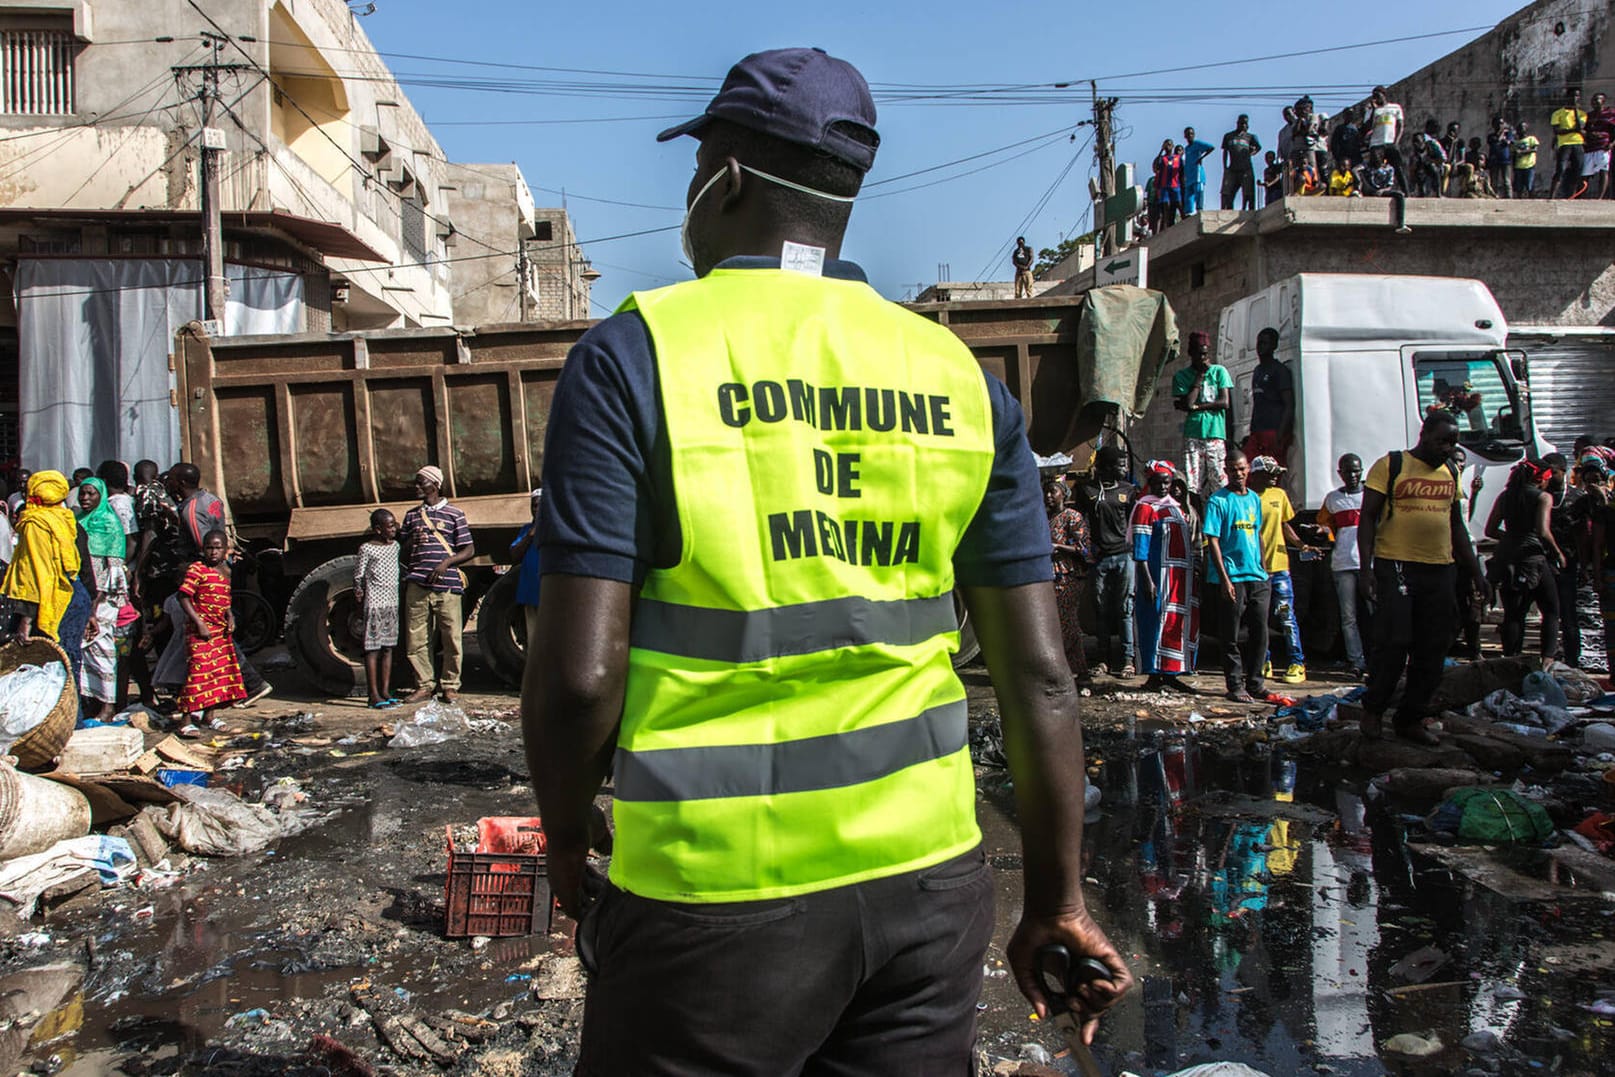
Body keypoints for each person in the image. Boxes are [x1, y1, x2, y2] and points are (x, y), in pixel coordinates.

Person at [523, 47, 1131, 1074]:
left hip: (714, 895)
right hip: (929, 889)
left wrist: (565, 832)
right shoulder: (958, 378)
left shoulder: (636, 356)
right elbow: (1038, 677)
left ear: (726, 178)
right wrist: (1057, 898)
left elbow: (582, 677)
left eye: (697, 168)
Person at [1352, 411, 1486, 745]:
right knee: (1395, 642)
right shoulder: (1391, 465)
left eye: (1452, 441)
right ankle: (1373, 709)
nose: (1447, 447)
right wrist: (1366, 570)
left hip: (1439, 568)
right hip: (1396, 564)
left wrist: (1475, 572)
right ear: (1424, 435)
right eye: (1442, 440)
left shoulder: (1450, 472)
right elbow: (1367, 518)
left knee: (1433, 647)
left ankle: (1410, 717)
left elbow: (1457, 526)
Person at [399, 465, 473, 704]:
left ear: (435, 485)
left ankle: (450, 686)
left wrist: (446, 564)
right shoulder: (411, 516)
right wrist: (411, 540)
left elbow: (468, 549)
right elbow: (403, 550)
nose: (417, 487)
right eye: (416, 482)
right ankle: (424, 684)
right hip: (417, 584)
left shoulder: (455, 514)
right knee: (416, 638)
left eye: (422, 482)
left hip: (448, 585)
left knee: (451, 636)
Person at [1204, 450, 1269, 704]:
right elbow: (1213, 540)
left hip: (1257, 576)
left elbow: (1258, 534)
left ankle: (1256, 683)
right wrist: (1225, 579)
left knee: (1260, 632)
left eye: (1242, 469)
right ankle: (1235, 685)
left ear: (1248, 469)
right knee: (1230, 635)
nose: (1238, 474)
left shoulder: (1254, 499)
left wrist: (1265, 570)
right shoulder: (1218, 501)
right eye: (1233, 470)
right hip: (1233, 576)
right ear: (1226, 471)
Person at [1484, 459, 1564, 662]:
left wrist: (1511, 539)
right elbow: (1543, 531)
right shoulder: (1543, 497)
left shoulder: (1505, 496)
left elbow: (1490, 530)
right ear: (1540, 479)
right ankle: (1547, 660)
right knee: (1552, 609)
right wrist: (1558, 553)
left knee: (1514, 613)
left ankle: (1509, 660)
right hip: (1533, 559)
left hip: (1506, 559)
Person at [1130, 461, 1198, 692]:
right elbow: (1140, 550)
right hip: (1157, 576)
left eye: (1166, 482)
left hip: (1178, 579)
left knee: (1174, 625)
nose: (1162, 487)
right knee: (1154, 622)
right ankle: (1154, 674)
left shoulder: (1176, 507)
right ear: (1149, 484)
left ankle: (1171, 673)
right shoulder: (1145, 508)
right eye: (1157, 482)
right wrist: (1147, 580)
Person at [1, 471, 84, 647]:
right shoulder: (64, 518)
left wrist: (25, 623)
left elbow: (37, 574)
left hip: (46, 606)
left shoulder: (36, 524)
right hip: (70, 596)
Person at [1249, 456, 1311, 684]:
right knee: (1259, 619)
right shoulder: (1247, 497)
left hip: (1280, 566)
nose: (1275, 477)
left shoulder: (1279, 495)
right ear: (1256, 475)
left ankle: (1297, 663)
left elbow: (1285, 525)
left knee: (1286, 616)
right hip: (1257, 569)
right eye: (1270, 472)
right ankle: (1263, 660)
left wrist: (1301, 544)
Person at [1077, 446, 1137, 678]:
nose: (1124, 469)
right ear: (1107, 467)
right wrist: (1087, 550)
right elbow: (1080, 523)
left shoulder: (1129, 490)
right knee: (1101, 611)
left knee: (1125, 609)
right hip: (1100, 559)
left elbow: (1134, 522)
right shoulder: (1087, 491)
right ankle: (1103, 660)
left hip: (1124, 556)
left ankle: (1128, 660)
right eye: (1120, 465)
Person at [177, 529, 244, 734]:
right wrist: (199, 623)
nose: (213, 552)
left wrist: (230, 617)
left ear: (225, 550)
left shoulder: (226, 571)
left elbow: (225, 600)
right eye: (209, 548)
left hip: (220, 631)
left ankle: (209, 716)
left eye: (217, 548)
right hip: (201, 631)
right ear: (203, 550)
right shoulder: (197, 569)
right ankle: (185, 719)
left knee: (218, 674)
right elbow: (184, 597)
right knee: (198, 673)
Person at [76, 477, 131, 722]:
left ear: (101, 495)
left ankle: (108, 705)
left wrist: (94, 602)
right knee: (86, 652)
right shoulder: (78, 522)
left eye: (91, 494)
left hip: (102, 599)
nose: (85, 498)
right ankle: (92, 702)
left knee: (103, 649)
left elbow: (114, 570)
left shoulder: (109, 523)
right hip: (83, 595)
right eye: (82, 494)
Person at [1318, 454, 1368, 676]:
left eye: (1356, 471)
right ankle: (1356, 660)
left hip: (1369, 564)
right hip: (1343, 563)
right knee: (1349, 617)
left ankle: (1378, 657)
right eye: (1348, 471)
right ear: (1340, 474)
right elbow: (1325, 526)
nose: (1353, 475)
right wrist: (1322, 532)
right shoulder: (1332, 499)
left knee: (1374, 613)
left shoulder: (1371, 496)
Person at [1172, 330, 1232, 504]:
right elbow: (1188, 403)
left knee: (1219, 480)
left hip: (1215, 434)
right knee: (1193, 484)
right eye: (1199, 354)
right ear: (1191, 354)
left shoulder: (1219, 372)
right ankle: (1196, 520)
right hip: (1194, 434)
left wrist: (1197, 407)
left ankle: (1219, 522)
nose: (1203, 358)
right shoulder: (1182, 376)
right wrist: (1199, 378)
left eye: (1205, 354)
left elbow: (1224, 402)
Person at [1546, 452, 1593, 669]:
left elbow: (1582, 533)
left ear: (1563, 471)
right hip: (1544, 562)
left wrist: (1584, 565)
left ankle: (1573, 660)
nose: (1548, 476)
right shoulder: (1540, 495)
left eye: (1552, 472)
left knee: (1568, 613)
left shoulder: (1576, 498)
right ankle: (1545, 659)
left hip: (1568, 562)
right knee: (1550, 614)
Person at [1045, 476, 1093, 683]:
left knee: (1067, 623)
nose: (1048, 496)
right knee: (1053, 624)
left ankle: (1080, 671)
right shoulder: (1045, 518)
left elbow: (1084, 549)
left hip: (1068, 575)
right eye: (1046, 492)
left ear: (1063, 493)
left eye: (1052, 492)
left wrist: (1058, 547)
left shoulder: (1072, 517)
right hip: (1050, 575)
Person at [355, 508, 401, 709]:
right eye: (390, 526)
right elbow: (359, 575)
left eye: (394, 525)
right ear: (378, 529)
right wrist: (358, 591)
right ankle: (373, 694)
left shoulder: (395, 546)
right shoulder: (367, 549)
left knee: (388, 647)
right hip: (374, 603)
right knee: (372, 649)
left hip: (392, 603)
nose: (394, 529)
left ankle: (385, 690)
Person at [1245, 327, 1293, 466]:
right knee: (1250, 467)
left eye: (1264, 343)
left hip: (1273, 430)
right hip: (1257, 431)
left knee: (1272, 470)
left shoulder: (1279, 370)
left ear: (1274, 346)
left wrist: (1280, 434)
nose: (1260, 347)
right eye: (1258, 343)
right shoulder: (1258, 370)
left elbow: (1289, 404)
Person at [508, 489, 544, 646]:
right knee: (534, 639)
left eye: (540, 506)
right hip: (531, 593)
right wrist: (530, 535)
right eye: (534, 506)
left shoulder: (558, 530)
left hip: (553, 595)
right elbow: (515, 555)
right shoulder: (526, 530)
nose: (536, 509)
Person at [1364, 86, 1406, 190]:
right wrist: (1373, 110)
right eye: (1374, 97)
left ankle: (1406, 191)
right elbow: (1367, 127)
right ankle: (1379, 190)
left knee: (1398, 167)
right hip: (1376, 144)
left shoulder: (1395, 107)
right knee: (1376, 169)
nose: (1376, 99)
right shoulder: (1371, 111)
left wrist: (1396, 142)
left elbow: (1400, 125)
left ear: (1384, 95)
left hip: (1390, 142)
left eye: (1378, 96)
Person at [1551, 87, 1587, 200]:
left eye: (1577, 96)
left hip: (1578, 143)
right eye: (1572, 96)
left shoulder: (1582, 114)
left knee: (1578, 170)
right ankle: (1552, 196)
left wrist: (1575, 110)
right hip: (1565, 144)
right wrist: (1573, 130)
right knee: (1560, 169)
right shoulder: (1558, 113)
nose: (1574, 98)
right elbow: (1557, 131)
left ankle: (1575, 196)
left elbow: (1580, 127)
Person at [1220, 114, 1261, 210]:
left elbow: (1259, 147)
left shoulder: (1250, 137)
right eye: (1241, 123)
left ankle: (1247, 211)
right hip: (1232, 168)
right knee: (1227, 192)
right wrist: (1225, 167)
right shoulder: (1229, 136)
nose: (1243, 125)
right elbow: (1225, 151)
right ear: (1237, 123)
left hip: (1246, 168)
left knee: (1248, 192)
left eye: (1245, 123)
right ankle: (1228, 211)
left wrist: (1252, 152)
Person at [1584, 91, 1615, 200]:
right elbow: (1584, 130)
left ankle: (1600, 198)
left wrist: (1611, 144)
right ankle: (1582, 195)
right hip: (1589, 148)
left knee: (1603, 171)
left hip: (1603, 146)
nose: (1594, 102)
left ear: (1603, 101)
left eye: (1596, 99)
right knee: (1585, 173)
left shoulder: (1611, 114)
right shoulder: (1589, 115)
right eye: (1592, 100)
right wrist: (1589, 134)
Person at [1181, 126, 1215, 216]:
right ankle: (1188, 212)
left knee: (1198, 192)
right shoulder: (1187, 148)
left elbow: (1211, 147)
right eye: (1188, 134)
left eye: (1191, 134)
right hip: (1189, 175)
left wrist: (1202, 157)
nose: (1190, 136)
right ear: (1185, 136)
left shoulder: (1197, 144)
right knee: (1188, 195)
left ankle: (1200, 209)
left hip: (1197, 174)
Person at [1153, 138, 1182, 231]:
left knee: (1178, 205)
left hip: (1175, 185)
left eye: (1169, 144)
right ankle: (1165, 229)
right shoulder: (1162, 159)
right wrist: (1161, 150)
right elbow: (1155, 167)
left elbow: (1182, 171)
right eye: (1166, 145)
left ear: (1173, 146)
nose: (1168, 146)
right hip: (1164, 187)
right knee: (1165, 207)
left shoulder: (1177, 158)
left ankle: (1184, 223)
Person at [1414, 119, 1447, 198]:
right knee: (1418, 171)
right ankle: (1420, 192)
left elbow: (1443, 158)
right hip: (1422, 163)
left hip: (1434, 163)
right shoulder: (1418, 145)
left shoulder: (1432, 142)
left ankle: (1438, 192)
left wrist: (1432, 161)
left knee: (1433, 170)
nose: (1416, 144)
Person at [1486, 116, 1514, 199]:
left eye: (1501, 123)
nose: (1500, 125)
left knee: (1506, 181)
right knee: (1494, 180)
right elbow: (1494, 141)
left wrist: (1505, 136)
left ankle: (1509, 196)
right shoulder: (1491, 136)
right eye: (1498, 124)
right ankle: (1494, 195)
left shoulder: (1508, 134)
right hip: (1494, 160)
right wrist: (1501, 134)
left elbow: (1508, 142)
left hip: (1505, 160)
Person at [1329, 106, 1362, 173]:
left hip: (1355, 157)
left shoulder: (1355, 129)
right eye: (1348, 114)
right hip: (1343, 157)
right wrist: (1338, 158)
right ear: (1344, 116)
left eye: (1351, 114)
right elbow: (1334, 144)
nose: (1350, 116)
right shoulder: (1339, 128)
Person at [1512, 121, 1540, 198]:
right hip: (1518, 166)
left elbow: (1534, 149)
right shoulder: (1516, 142)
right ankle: (1519, 200)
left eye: (1523, 128)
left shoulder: (1531, 139)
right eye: (1520, 128)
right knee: (1518, 186)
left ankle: (1531, 199)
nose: (1521, 130)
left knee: (1529, 185)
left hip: (1529, 165)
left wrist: (1522, 152)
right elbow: (1514, 154)